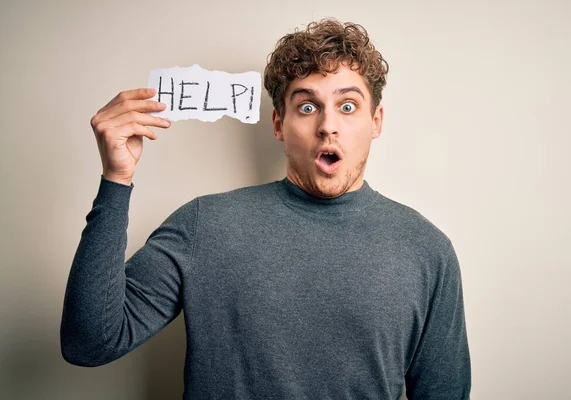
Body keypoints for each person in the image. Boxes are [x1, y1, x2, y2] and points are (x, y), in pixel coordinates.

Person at [61, 19, 471, 399]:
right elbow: (90, 342)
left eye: (348, 106)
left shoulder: (427, 251)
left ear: (376, 121)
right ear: (278, 123)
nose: (328, 125)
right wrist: (116, 180)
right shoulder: (205, 226)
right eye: (307, 107)